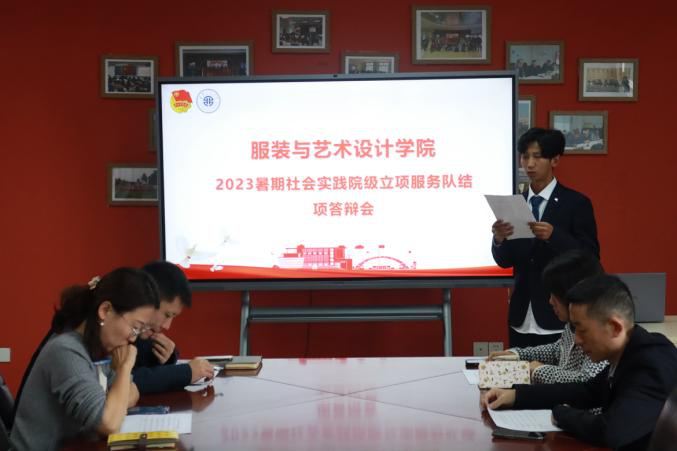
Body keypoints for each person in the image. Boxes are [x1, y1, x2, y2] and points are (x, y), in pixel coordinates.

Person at [481, 275, 677, 451]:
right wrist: (516, 396)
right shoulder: (629, 351)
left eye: (582, 330)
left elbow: (611, 431)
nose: (577, 340)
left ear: (615, 328)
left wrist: (562, 413)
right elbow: (585, 391)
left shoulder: (651, 363)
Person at [10, 268, 160, 450]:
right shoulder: (66, 351)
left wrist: (114, 405)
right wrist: (124, 368)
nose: (133, 338)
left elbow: (133, 392)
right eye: (135, 327)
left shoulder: (98, 346)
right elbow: (109, 424)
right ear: (105, 310)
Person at [492, 128, 599, 348]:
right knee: (519, 369)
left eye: (537, 156)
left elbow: (590, 257)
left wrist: (554, 236)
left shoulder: (576, 203)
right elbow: (504, 261)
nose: (529, 164)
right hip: (521, 315)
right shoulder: (515, 204)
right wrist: (499, 240)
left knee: (556, 370)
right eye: (525, 157)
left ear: (555, 160)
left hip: (559, 315)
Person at [488, 249, 608, 384]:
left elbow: (587, 382)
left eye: (554, 295)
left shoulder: (601, 333)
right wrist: (517, 354)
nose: (550, 301)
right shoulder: (573, 324)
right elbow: (557, 350)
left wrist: (539, 370)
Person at [132, 261, 214, 394]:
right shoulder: (114, 330)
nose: (167, 326)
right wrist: (186, 372)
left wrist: (167, 355)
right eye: (167, 315)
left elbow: (140, 362)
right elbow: (127, 380)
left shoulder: (140, 334)